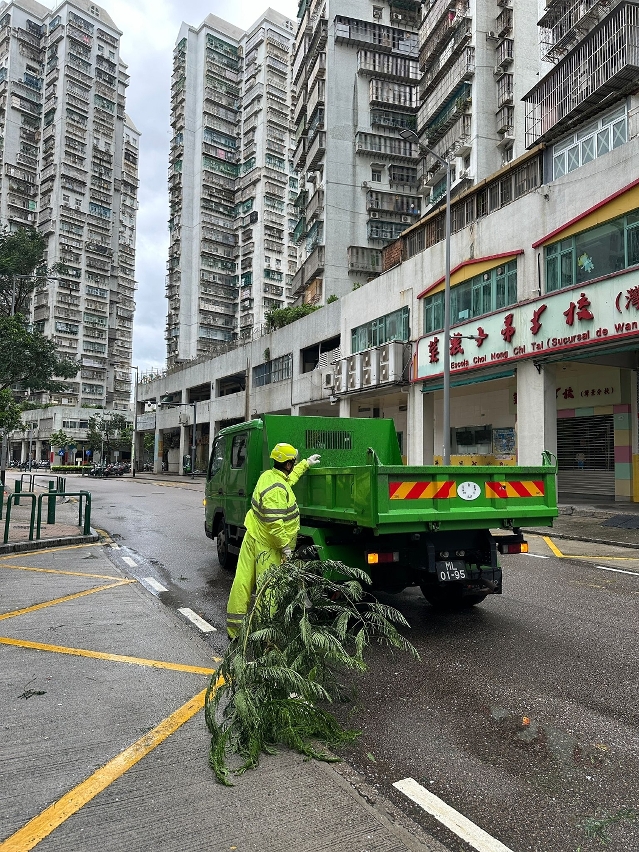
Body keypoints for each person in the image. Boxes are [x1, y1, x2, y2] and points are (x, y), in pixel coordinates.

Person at [226, 442, 321, 639]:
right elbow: (274, 523)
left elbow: (287, 481)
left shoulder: (268, 476)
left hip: (253, 536)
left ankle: (234, 630)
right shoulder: (277, 489)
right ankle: (265, 635)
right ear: (287, 464)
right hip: (268, 546)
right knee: (268, 590)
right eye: (293, 462)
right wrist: (285, 547)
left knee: (242, 581)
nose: (294, 464)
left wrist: (305, 464)